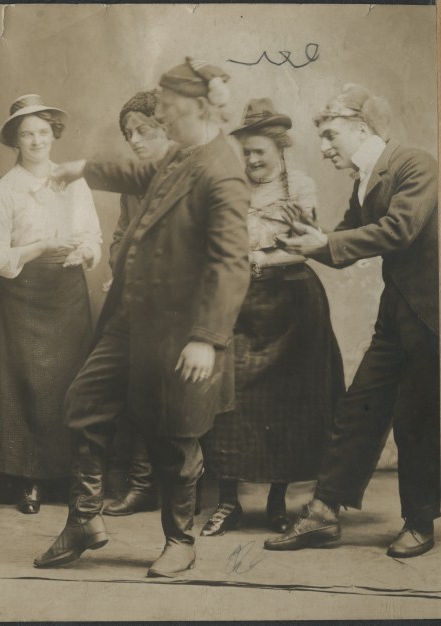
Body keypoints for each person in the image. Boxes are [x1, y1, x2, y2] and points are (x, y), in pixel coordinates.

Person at [34, 58, 250, 577]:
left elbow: (231, 262)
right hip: (133, 318)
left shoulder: (223, 170)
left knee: (174, 435)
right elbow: (140, 172)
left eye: (170, 110)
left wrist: (206, 337)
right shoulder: (184, 154)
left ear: (198, 108)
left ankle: (181, 541)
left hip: (181, 330)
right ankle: (84, 520)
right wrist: (81, 168)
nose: (164, 120)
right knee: (85, 403)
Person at [266, 84, 439, 558]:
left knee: (418, 420)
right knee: (358, 405)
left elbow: (400, 230)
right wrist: (308, 237)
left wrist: (324, 244)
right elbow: (343, 242)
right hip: (398, 313)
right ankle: (323, 513)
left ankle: (420, 523)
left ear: (360, 128)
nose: (323, 148)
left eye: (329, 135)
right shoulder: (365, 178)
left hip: (433, 315)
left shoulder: (415, 163)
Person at [199, 98, 344, 536]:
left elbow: (303, 246)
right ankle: (228, 502)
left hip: (292, 305)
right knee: (229, 399)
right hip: (238, 304)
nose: (252, 159)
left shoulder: (298, 186)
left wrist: (258, 258)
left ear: (280, 148)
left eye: (260, 150)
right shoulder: (227, 186)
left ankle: (278, 502)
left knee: (288, 405)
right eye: (246, 151)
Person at [0, 94, 102, 515]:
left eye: (43, 132)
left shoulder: (75, 181)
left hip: (68, 293)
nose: (36, 140)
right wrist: (40, 246)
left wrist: (85, 254)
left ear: (53, 135)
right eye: (27, 134)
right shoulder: (4, 190)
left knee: (70, 384)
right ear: (15, 140)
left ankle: (68, 478)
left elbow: (94, 236)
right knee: (25, 385)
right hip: (23, 295)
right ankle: (27, 480)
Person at [101, 89, 174, 517]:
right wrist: (123, 263)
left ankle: (185, 489)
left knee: (178, 395)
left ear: (166, 128)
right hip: (139, 301)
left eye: (143, 130)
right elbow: (118, 237)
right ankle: (144, 484)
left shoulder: (191, 173)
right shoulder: (131, 182)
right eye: (129, 133)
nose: (134, 140)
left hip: (181, 303)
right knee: (135, 390)